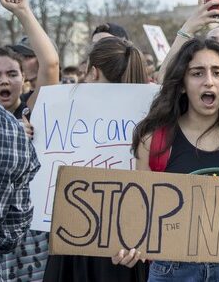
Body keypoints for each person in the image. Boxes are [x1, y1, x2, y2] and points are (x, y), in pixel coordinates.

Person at [114, 38, 219, 281]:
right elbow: (138, 213)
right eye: (197, 73)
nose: (209, 81)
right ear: (183, 84)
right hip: (173, 271)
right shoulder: (153, 141)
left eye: (217, 72)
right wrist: (126, 245)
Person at [43, 36, 149, 282]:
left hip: (75, 236)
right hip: (127, 240)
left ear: (93, 72)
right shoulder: (150, 113)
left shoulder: (64, 111)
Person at [0, 0, 40, 282]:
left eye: (12, 74)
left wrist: (23, 13)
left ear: (25, 80)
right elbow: (10, 230)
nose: (3, 82)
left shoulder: (16, 125)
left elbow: (50, 65)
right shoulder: (10, 131)